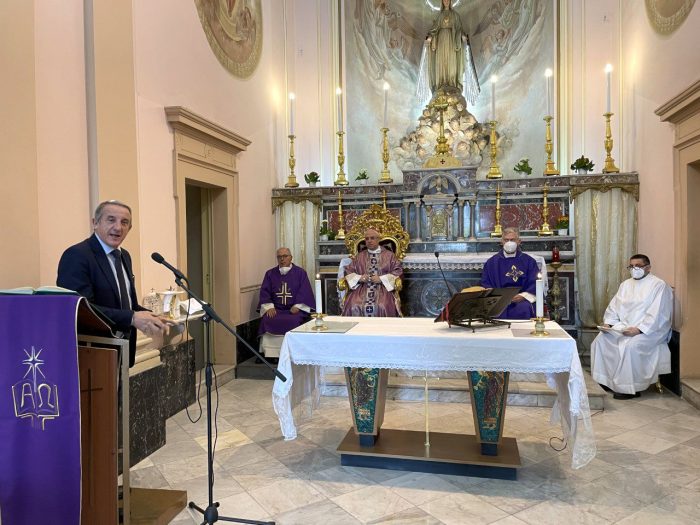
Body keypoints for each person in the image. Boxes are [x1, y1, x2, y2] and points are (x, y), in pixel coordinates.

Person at [57, 200, 168, 367]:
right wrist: (131, 317)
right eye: (111, 219)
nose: (118, 227)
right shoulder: (77, 255)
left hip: (122, 350)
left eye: (125, 222)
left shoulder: (124, 256)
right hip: (92, 355)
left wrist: (152, 317)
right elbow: (80, 309)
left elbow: (125, 303)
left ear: (129, 228)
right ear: (95, 223)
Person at [591, 254, 672, 400]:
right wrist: (609, 323)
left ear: (648, 268)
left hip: (650, 331)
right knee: (600, 340)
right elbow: (614, 307)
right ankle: (605, 381)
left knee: (631, 346)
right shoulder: (625, 285)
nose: (634, 269)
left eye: (638, 266)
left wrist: (639, 329)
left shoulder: (658, 285)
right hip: (624, 327)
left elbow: (658, 313)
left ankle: (629, 387)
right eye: (631, 266)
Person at [258, 248, 315, 359]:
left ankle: (292, 352)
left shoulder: (300, 273)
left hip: (293, 310)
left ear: (291, 257)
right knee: (267, 319)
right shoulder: (270, 274)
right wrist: (269, 306)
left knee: (293, 320)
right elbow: (265, 292)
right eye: (279, 257)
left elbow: (305, 291)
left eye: (285, 256)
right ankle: (270, 354)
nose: (282, 259)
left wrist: (298, 306)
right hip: (276, 309)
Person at [422, 0, 479, 102]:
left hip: (452, 41)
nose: (446, 2)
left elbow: (459, 29)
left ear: (451, 1)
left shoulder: (455, 15)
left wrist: (462, 36)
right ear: (442, 2)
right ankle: (441, 84)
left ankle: (452, 84)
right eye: (444, 0)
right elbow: (434, 29)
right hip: (440, 41)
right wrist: (430, 37)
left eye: (448, 0)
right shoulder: (440, 15)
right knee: (441, 61)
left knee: (451, 62)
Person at [342, 228, 403, 317]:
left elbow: (398, 271)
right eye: (367, 239)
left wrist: (381, 279)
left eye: (372, 238)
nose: (369, 241)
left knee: (382, 305)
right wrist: (360, 278)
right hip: (362, 287)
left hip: (383, 288)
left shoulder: (389, 255)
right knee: (353, 304)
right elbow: (348, 271)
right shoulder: (360, 256)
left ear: (378, 239)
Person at [480, 227, 538, 319]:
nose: (509, 242)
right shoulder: (492, 263)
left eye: (512, 240)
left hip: (521, 300)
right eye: (506, 240)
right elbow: (486, 284)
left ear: (519, 241)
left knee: (524, 308)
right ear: (501, 242)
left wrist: (523, 296)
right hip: (499, 300)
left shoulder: (529, 261)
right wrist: (498, 297)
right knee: (496, 309)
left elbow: (535, 284)